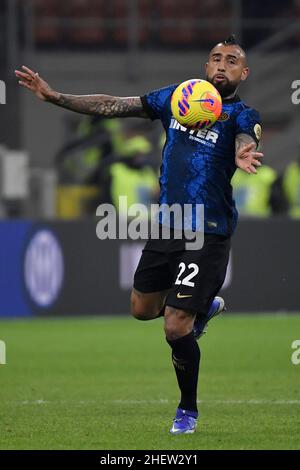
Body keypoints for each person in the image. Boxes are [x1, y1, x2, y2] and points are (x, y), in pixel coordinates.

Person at [15, 34, 263, 435]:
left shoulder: (240, 115)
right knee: (142, 310)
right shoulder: (177, 99)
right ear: (205, 67)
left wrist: (244, 151)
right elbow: (114, 105)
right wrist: (56, 96)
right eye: (215, 58)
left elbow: (247, 138)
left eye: (231, 61)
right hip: (167, 226)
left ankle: (187, 410)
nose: (222, 65)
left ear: (243, 73)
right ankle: (204, 306)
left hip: (209, 231)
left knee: (175, 326)